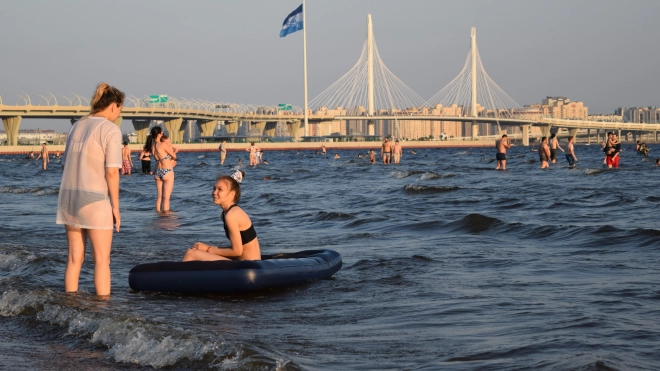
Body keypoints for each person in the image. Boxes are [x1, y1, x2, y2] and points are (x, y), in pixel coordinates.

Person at [56, 82, 124, 296]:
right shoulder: (110, 129)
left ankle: (69, 306)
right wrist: (116, 206)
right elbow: (112, 172)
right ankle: (102, 310)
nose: (118, 115)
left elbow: (67, 165)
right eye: (120, 110)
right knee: (102, 260)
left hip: (68, 198)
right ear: (114, 106)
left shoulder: (77, 125)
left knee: (75, 258)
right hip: (94, 199)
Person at [182, 175, 260, 261]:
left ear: (232, 194)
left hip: (248, 266)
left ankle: (178, 274)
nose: (214, 192)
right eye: (214, 188)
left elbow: (237, 251)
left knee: (191, 253)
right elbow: (239, 247)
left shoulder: (232, 215)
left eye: (220, 189)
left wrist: (208, 249)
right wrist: (209, 248)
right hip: (242, 261)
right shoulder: (225, 214)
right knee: (196, 250)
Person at [149, 126, 177, 211]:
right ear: (159, 134)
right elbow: (174, 156)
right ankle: (166, 218)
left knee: (159, 197)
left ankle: (158, 214)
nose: (163, 134)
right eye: (162, 133)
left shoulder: (152, 146)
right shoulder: (163, 144)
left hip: (158, 172)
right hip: (167, 171)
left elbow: (159, 159)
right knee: (166, 198)